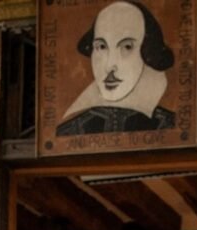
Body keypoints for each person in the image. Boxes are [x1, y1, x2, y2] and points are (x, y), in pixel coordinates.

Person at [56, 1, 175, 137]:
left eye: (127, 47)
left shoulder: (170, 125)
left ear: (148, 52)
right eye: (101, 47)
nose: (109, 66)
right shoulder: (68, 131)